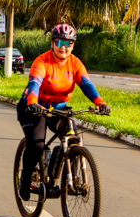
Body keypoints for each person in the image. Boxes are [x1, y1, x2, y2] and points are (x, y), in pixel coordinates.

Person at [17, 24, 111, 201]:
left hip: (58, 109)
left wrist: (100, 102)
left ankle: (71, 181)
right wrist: (33, 102)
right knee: (37, 145)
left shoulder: (75, 63)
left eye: (68, 43)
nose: (63, 47)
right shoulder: (42, 61)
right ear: (52, 43)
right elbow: (34, 83)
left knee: (73, 138)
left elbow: (86, 84)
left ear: (73, 45)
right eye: (59, 42)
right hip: (33, 107)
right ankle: (25, 180)